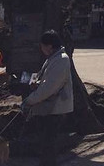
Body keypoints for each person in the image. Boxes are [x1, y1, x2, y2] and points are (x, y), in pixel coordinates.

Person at [21, 30, 74, 166]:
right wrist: (36, 83)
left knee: (48, 144)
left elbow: (49, 88)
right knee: (46, 143)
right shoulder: (53, 58)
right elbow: (45, 81)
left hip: (55, 108)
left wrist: (29, 100)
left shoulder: (61, 60)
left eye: (42, 46)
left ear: (49, 46)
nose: (42, 49)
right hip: (49, 107)